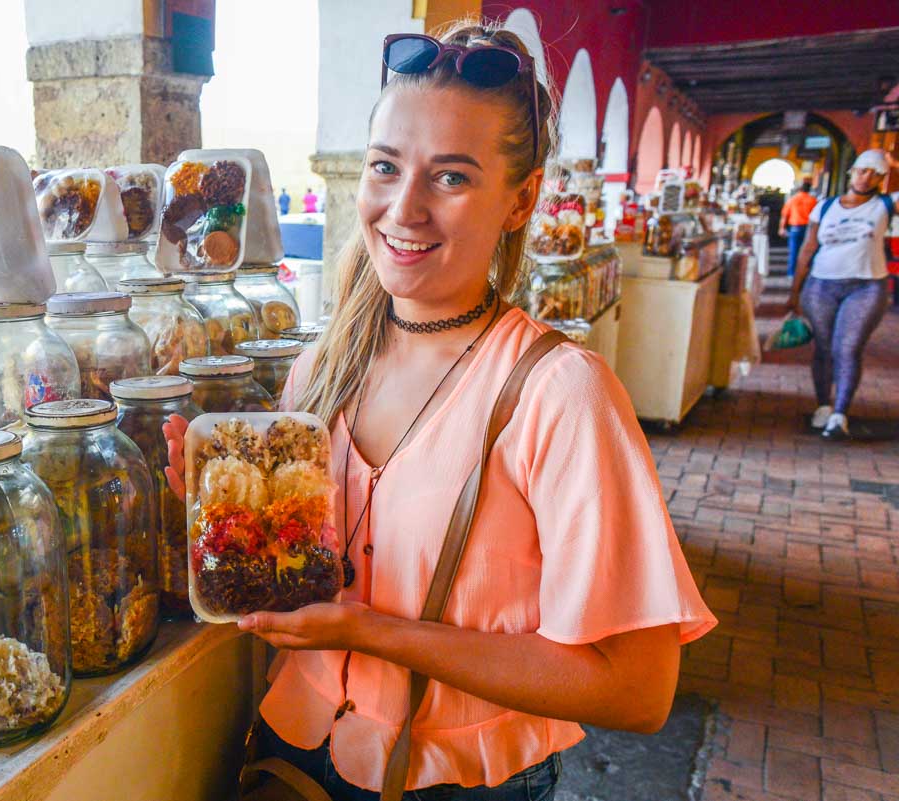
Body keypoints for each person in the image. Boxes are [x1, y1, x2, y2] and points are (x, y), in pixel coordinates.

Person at [165, 18, 715, 801]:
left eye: (451, 177)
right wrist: (221, 511)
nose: (404, 208)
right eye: (386, 167)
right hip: (295, 748)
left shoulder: (560, 394)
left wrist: (369, 631)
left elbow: (635, 688)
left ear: (522, 199)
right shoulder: (325, 365)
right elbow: (308, 558)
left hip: (456, 781)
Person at [788, 149, 897, 440]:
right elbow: (808, 249)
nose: (867, 177)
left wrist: (894, 162)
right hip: (822, 284)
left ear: (882, 178)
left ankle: (840, 413)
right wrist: (795, 291)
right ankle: (823, 405)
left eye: (875, 173)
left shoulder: (886, 205)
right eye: (863, 170)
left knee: (847, 348)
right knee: (823, 348)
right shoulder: (824, 207)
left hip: (866, 286)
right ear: (852, 172)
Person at [779, 179, 817, 276]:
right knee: (807, 253)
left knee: (794, 252)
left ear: (799, 189)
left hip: (795, 228)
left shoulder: (793, 199)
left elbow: (785, 215)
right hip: (808, 229)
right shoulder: (813, 200)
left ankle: (792, 274)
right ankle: (804, 274)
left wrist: (781, 228)